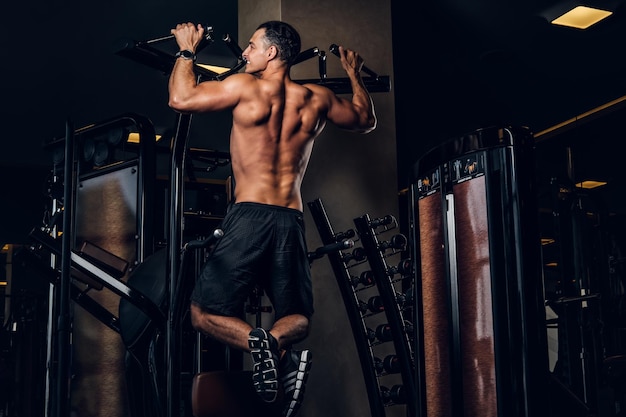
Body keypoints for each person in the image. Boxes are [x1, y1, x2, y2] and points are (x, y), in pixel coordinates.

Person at [168, 20, 377, 417]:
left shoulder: (246, 88)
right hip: (290, 220)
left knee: (200, 314)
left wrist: (186, 51)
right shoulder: (316, 98)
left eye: (251, 46)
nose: (244, 53)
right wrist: (353, 73)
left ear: (271, 53)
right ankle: (269, 341)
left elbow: (181, 98)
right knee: (297, 319)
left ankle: (255, 341)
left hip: (249, 215)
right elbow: (366, 119)